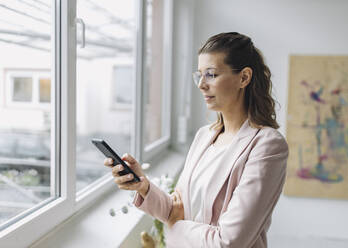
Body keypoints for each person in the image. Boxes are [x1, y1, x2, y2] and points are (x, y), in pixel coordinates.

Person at [104, 32, 289, 248]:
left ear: (244, 78)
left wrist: (174, 227)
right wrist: (143, 186)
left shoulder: (267, 145)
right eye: (199, 75)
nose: (201, 84)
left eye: (211, 74)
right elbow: (176, 209)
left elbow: (229, 242)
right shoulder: (204, 136)